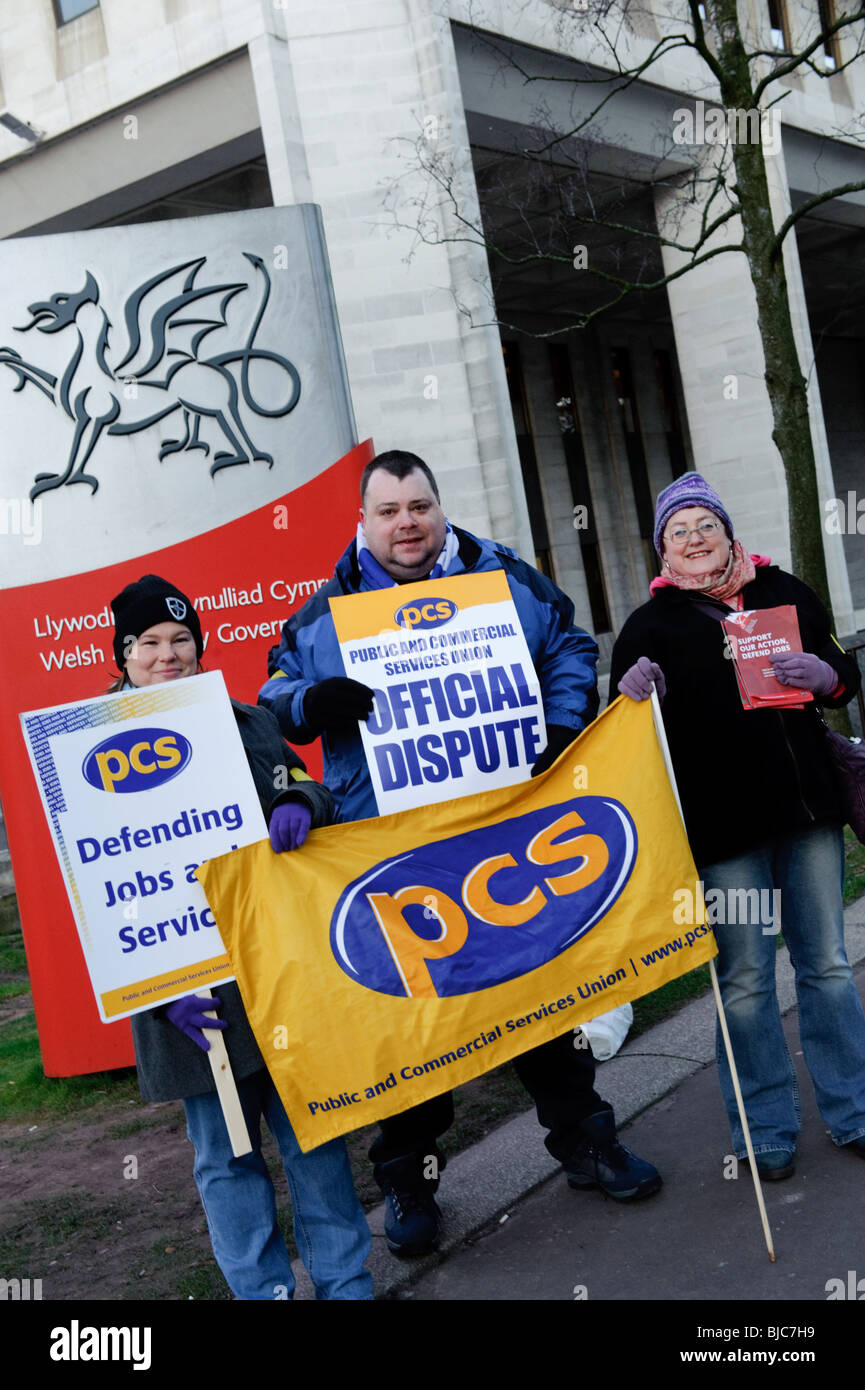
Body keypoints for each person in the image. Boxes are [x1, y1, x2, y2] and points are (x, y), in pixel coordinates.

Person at [258, 450, 662, 1256]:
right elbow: (274, 702)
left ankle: (586, 1141)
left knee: (541, 994)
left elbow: (571, 648)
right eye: (389, 510)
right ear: (363, 523)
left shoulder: (504, 578)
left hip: (502, 833)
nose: (406, 523)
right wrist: (311, 700)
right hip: (395, 857)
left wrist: (557, 724)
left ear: (438, 510)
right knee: (412, 1026)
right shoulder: (321, 615)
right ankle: (411, 1183)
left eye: (419, 506)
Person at [110, 574, 373, 1300]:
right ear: (124, 655)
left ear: (199, 647)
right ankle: (262, 1294)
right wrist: (159, 996)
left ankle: (343, 1281)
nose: (169, 655)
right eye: (151, 644)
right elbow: (101, 894)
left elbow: (310, 784)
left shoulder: (248, 720)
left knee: (312, 1133)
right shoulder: (91, 745)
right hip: (185, 990)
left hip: (275, 970)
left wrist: (298, 800)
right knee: (226, 1156)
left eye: (181, 641)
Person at [610, 471, 865, 1181]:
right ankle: (762, 1131)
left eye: (704, 525)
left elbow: (844, 679)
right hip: (723, 839)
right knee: (746, 980)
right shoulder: (647, 627)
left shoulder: (784, 591)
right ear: (661, 547)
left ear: (727, 532)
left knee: (826, 965)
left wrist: (826, 677)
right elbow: (625, 736)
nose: (693, 539)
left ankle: (853, 1112)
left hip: (805, 817)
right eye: (677, 530)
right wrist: (634, 698)